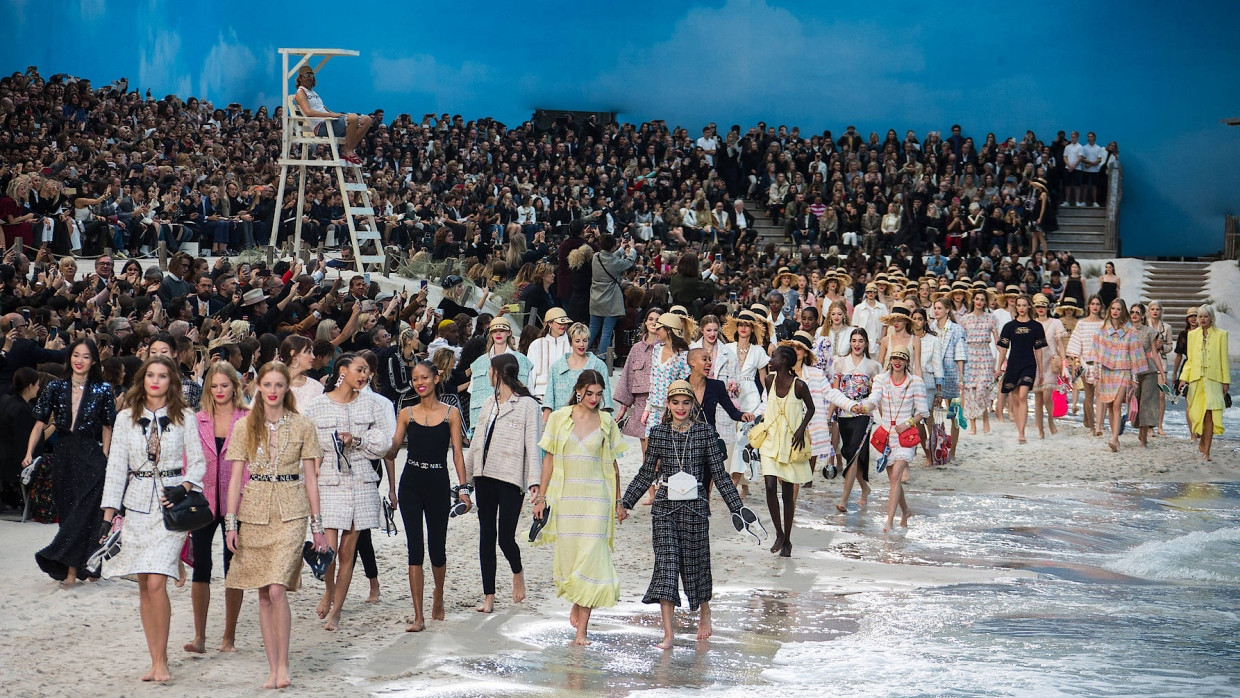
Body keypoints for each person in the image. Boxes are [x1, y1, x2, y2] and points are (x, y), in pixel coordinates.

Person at [618, 380, 750, 649]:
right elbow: (647, 473)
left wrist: (738, 508)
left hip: (695, 507)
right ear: (667, 404)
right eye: (675, 402)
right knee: (666, 568)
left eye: (686, 402)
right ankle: (668, 634)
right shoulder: (658, 433)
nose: (680, 407)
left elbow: (719, 474)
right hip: (665, 508)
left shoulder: (705, 433)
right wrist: (626, 502)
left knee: (696, 564)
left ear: (692, 405)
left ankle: (705, 611)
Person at [99, 355, 207, 683]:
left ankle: (163, 661)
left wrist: (184, 486)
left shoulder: (186, 417)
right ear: (142, 380)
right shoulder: (124, 419)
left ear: (171, 381)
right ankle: (155, 658)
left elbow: (199, 463)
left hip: (170, 508)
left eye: (162, 375)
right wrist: (107, 516)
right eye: (150, 375)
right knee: (145, 585)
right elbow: (116, 468)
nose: (155, 381)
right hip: (136, 506)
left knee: (158, 581)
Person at [222, 362, 325, 690]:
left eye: (279, 385)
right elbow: (235, 477)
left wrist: (318, 527)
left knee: (278, 588)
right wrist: (230, 523)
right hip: (253, 512)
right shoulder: (244, 427)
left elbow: (311, 478)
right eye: (267, 384)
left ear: (286, 389)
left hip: (292, 511)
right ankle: (273, 667)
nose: (272, 390)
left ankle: (283, 665)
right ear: (257, 387)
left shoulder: (303, 426)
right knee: (263, 593)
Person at [304, 353, 395, 631]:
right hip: (329, 479)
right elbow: (308, 446)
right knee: (328, 549)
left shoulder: (374, 404)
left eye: (367, 371)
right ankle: (328, 592)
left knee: (348, 550)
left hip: (362, 481)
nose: (364, 375)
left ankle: (337, 610)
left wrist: (356, 439)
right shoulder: (317, 405)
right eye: (359, 369)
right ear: (342, 370)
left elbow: (385, 445)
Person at [534, 370, 626, 645]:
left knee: (593, 557)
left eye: (599, 394)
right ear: (578, 391)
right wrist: (541, 497)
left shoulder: (607, 421)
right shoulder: (559, 418)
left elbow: (612, 465)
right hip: (568, 498)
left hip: (597, 498)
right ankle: (577, 598)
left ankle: (582, 631)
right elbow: (548, 460)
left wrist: (619, 501)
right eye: (589, 394)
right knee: (572, 558)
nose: (594, 399)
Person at [387, 360, 469, 632]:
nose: (419, 382)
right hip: (410, 481)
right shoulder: (406, 413)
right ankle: (418, 615)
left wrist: (463, 488)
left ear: (436, 378)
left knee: (437, 549)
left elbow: (457, 452)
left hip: (438, 481)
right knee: (415, 549)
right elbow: (394, 447)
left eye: (424, 377)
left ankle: (439, 595)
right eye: (414, 378)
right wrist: (375, 445)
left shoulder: (451, 413)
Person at [26, 338, 115, 585]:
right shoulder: (54, 388)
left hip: (91, 455)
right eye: (76, 355)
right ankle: (82, 566)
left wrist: (106, 454)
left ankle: (74, 570)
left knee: (86, 511)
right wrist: (28, 453)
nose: (80, 360)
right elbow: (39, 423)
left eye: (86, 356)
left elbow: (108, 425)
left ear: (94, 360)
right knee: (68, 511)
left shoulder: (104, 389)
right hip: (63, 455)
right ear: (69, 357)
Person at [464, 353, 541, 614]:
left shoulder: (529, 405)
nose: (488, 375)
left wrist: (534, 482)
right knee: (487, 535)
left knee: (506, 538)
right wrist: (467, 479)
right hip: (485, 475)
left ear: (498, 373)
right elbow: (477, 442)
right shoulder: (488, 402)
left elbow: (533, 446)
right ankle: (489, 595)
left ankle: (517, 571)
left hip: (510, 476)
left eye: (490, 371)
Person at [185, 362, 248, 655]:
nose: (220, 390)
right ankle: (199, 637)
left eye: (225, 385)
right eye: (214, 385)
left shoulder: (247, 418)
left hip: (238, 502)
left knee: (232, 568)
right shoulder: (197, 420)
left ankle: (229, 637)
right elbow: (187, 461)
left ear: (235, 387)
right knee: (201, 567)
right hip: (203, 500)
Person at [851, 347, 928, 532]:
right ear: (889, 360)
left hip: (905, 435)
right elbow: (874, 399)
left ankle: (889, 521)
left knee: (896, 476)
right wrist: (864, 407)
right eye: (894, 357)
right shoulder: (881, 380)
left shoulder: (915, 382)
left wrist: (908, 423)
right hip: (886, 435)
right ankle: (905, 511)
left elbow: (923, 412)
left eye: (901, 358)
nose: (897, 361)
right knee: (894, 481)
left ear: (906, 361)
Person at [760, 346, 815, 557]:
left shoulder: (799, 385)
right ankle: (779, 533)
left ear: (785, 360)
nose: (770, 359)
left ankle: (788, 539)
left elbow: (811, 408)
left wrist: (801, 430)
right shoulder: (769, 381)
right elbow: (771, 407)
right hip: (771, 439)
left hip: (791, 441)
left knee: (787, 493)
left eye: (774, 356)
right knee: (770, 486)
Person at [832, 328, 880, 512]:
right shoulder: (840, 363)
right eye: (854, 340)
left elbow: (876, 393)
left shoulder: (873, 366)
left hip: (863, 415)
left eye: (861, 340)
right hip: (844, 414)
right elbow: (835, 391)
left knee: (854, 454)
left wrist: (870, 407)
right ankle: (865, 488)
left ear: (866, 343)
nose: (857, 344)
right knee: (850, 453)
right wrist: (830, 417)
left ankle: (844, 499)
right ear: (850, 342)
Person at [722, 310, 770, 495]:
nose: (743, 328)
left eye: (747, 325)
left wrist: (765, 403)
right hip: (730, 396)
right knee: (731, 440)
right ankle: (743, 484)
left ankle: (734, 484)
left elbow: (764, 379)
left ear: (753, 329)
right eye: (740, 324)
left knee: (743, 438)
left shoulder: (758, 351)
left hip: (751, 397)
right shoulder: (728, 348)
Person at [292, 65, 373, 164]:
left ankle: (348, 148)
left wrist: (334, 114)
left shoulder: (313, 93)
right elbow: (308, 112)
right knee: (353, 118)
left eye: (311, 75)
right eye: (306, 75)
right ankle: (348, 151)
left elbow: (323, 109)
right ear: (300, 78)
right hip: (321, 126)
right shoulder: (300, 93)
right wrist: (330, 115)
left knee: (367, 120)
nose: (309, 77)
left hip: (329, 122)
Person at [995, 295, 1046, 444]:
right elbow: (1003, 349)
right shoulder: (1009, 326)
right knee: (1016, 399)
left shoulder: (1036, 326)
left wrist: (1041, 370)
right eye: (1019, 305)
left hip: (1029, 364)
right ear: (1016, 307)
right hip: (1013, 365)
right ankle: (1019, 430)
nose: (1022, 308)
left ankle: (1022, 433)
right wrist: (999, 367)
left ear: (1029, 306)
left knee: (1023, 396)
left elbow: (1038, 349)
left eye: (1025, 305)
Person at [1093, 299, 1142, 452]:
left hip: (1123, 371)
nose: (1115, 311)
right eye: (1113, 308)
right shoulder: (1102, 329)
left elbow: (1136, 355)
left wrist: (1135, 379)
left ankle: (1114, 438)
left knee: (1117, 403)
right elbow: (1096, 351)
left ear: (1123, 312)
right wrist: (1095, 371)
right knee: (1109, 404)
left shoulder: (1130, 331)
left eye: (1118, 309)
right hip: (1107, 371)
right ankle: (1115, 436)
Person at [1182, 304, 1228, 462]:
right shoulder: (1192, 335)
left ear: (1211, 318)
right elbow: (1190, 360)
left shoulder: (1222, 335)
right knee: (1196, 414)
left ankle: (1207, 451)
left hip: (1214, 380)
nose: (1201, 319)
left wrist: (1225, 381)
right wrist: (1183, 378)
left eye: (1205, 316)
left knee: (1210, 414)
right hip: (1197, 379)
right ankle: (1200, 437)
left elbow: (1224, 360)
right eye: (1199, 316)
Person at [467, 317, 532, 428]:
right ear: (490, 334)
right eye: (494, 331)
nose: (498, 334)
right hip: (484, 417)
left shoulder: (522, 360)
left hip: (513, 414)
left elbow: (529, 388)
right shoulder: (480, 362)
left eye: (502, 330)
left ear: (509, 333)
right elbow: (473, 392)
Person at [613, 307, 661, 452]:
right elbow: (628, 376)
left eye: (658, 320)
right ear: (645, 322)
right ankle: (647, 474)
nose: (653, 323)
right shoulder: (636, 348)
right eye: (650, 319)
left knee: (660, 445)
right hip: (641, 401)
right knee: (645, 445)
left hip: (662, 400)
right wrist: (623, 407)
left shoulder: (667, 347)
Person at [643, 313, 694, 437]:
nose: (656, 331)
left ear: (669, 330)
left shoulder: (683, 355)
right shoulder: (656, 349)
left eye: (659, 328)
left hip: (672, 411)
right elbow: (652, 380)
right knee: (651, 448)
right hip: (654, 408)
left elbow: (685, 386)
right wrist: (647, 409)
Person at [928, 298, 966, 461]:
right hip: (933, 374)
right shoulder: (930, 328)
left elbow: (960, 354)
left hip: (951, 375)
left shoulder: (957, 329)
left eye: (939, 308)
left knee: (954, 413)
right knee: (929, 411)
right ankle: (933, 445)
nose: (936, 311)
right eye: (934, 308)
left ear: (947, 310)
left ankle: (953, 451)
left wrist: (962, 377)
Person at [544, 322, 612, 414]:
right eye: (577, 341)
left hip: (591, 420)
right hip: (562, 422)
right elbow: (549, 402)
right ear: (570, 342)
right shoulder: (556, 367)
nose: (581, 345)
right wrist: (545, 426)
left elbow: (606, 401)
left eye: (585, 340)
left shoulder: (599, 366)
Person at [588, 234, 636, 357]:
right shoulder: (616, 263)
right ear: (613, 246)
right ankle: (601, 357)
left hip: (595, 298)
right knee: (607, 331)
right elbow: (629, 262)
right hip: (611, 301)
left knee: (592, 329)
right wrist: (632, 249)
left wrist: (621, 249)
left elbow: (609, 258)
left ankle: (580, 353)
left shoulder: (596, 257)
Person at [959, 289, 998, 434]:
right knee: (970, 390)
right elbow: (960, 340)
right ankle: (973, 424)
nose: (979, 302)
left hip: (985, 354)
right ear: (973, 300)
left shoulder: (991, 318)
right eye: (977, 299)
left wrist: (1001, 357)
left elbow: (997, 339)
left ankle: (985, 417)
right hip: (969, 354)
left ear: (985, 302)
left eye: (982, 299)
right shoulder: (965, 319)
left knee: (983, 388)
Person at [1127, 303, 1167, 448]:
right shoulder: (1125, 331)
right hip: (1132, 373)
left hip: (1149, 372)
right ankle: (1140, 431)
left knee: (1146, 405)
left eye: (1138, 312)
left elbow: (1154, 354)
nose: (1135, 314)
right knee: (1134, 404)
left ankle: (1144, 439)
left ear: (1143, 315)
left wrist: (1162, 373)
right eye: (1132, 312)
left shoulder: (1149, 332)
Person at [1066, 295, 1106, 433]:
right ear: (1088, 306)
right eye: (1092, 303)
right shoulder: (1081, 323)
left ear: (1101, 306)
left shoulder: (1104, 324)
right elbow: (1076, 343)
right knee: (1089, 395)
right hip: (1085, 362)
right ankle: (1092, 427)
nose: (1095, 306)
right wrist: (1077, 362)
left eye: (1097, 304)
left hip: (1101, 362)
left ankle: (1098, 423)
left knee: (1101, 395)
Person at [1031, 294, 1066, 439]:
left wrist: (1064, 365)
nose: (1040, 308)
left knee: (1047, 396)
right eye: (1038, 306)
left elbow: (1061, 345)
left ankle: (1051, 421)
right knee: (1038, 398)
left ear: (1048, 307)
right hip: (1035, 361)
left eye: (1043, 305)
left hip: (1051, 361)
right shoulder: (1031, 323)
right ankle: (1040, 429)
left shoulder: (1056, 323)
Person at [526, 308, 573, 402]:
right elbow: (530, 373)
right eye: (560, 323)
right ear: (550, 323)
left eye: (565, 323)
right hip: (540, 394)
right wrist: (530, 396)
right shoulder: (536, 344)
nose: (563, 326)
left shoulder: (571, 344)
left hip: (567, 395)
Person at [280, 335, 324, 410]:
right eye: (309, 352)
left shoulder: (316, 387)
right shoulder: (271, 383)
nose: (313, 356)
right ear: (293, 353)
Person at [851, 283, 887, 356]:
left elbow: (885, 325)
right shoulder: (858, 308)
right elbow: (855, 326)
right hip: (862, 343)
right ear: (865, 293)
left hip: (877, 343)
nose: (871, 294)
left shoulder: (882, 307)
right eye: (868, 292)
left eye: (873, 292)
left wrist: (881, 340)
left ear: (876, 293)